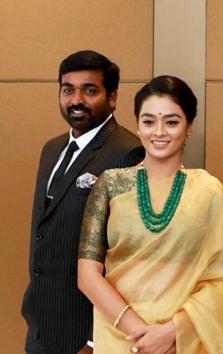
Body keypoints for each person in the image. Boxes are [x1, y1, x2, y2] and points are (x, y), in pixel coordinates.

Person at [77, 75, 223, 353]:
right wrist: (142, 335)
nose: (159, 132)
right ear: (138, 126)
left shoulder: (207, 190)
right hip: (121, 338)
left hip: (185, 341)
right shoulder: (110, 185)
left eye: (172, 122)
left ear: (188, 127)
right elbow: (87, 275)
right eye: (149, 121)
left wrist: (172, 332)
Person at [21, 50, 144, 353]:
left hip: (86, 333)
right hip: (41, 324)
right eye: (68, 90)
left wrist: (93, 339)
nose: (76, 100)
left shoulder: (128, 152)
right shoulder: (51, 149)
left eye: (89, 90)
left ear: (112, 97)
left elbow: (128, 258)